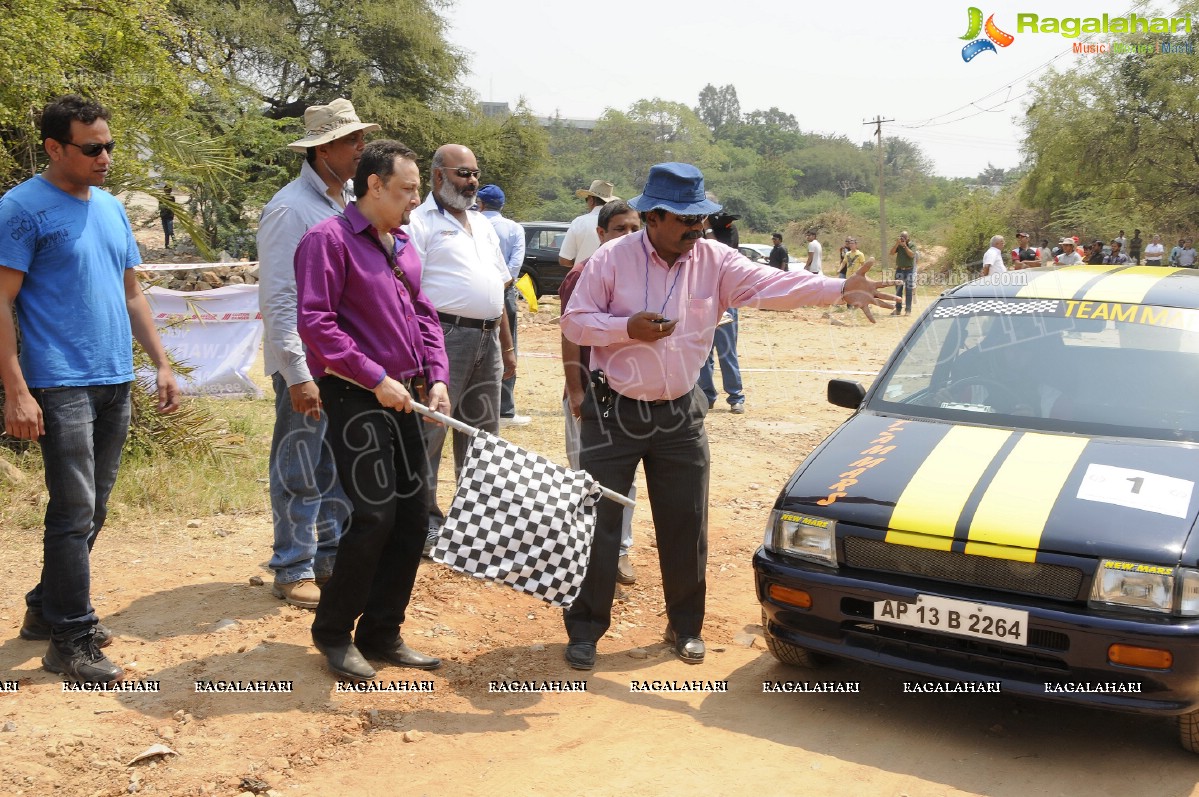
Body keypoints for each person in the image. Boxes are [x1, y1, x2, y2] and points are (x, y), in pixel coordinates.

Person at [558, 161, 899, 671]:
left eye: (702, 220)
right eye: (685, 221)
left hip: (680, 414)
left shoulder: (715, 259)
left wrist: (837, 288)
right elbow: (577, 323)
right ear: (653, 217)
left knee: (686, 522)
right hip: (615, 412)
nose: (697, 230)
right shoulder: (611, 259)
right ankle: (585, 630)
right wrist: (627, 327)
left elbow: (773, 285)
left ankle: (685, 628)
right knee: (598, 523)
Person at [0, 95, 180, 684]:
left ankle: (42, 609)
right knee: (74, 508)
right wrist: (16, 390)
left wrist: (161, 364)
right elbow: (1, 300)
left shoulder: (109, 207)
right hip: (58, 383)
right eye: (92, 148)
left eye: (109, 145)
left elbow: (132, 292)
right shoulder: (21, 209)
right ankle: (70, 637)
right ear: (55, 148)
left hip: (113, 379)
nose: (105, 157)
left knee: (94, 506)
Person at [294, 139, 450, 681]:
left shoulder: (404, 243)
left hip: (404, 395)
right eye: (408, 189)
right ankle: (333, 632)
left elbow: (424, 315)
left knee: (411, 516)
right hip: (356, 395)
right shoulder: (327, 240)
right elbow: (316, 325)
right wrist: (375, 378)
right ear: (374, 184)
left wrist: (438, 378)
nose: (415, 200)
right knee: (375, 514)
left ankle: (383, 631)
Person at [257, 99, 372, 609]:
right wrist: (296, 371)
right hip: (306, 362)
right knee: (300, 460)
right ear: (324, 148)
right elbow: (280, 297)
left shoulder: (347, 203)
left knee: (336, 461)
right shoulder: (289, 209)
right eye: (353, 141)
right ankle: (292, 565)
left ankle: (327, 557)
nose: (361, 149)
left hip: (341, 361)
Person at [405, 144, 516, 553]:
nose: (472, 182)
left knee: (483, 435)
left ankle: (476, 527)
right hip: (443, 337)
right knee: (431, 431)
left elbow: (499, 287)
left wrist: (507, 347)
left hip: (488, 338)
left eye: (474, 175)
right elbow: (407, 291)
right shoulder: (419, 222)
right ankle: (424, 524)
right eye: (462, 174)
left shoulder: (482, 223)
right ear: (437, 176)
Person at [559, 199, 641, 585]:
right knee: (586, 475)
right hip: (591, 392)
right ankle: (587, 553)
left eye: (634, 229)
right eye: (619, 229)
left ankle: (620, 551)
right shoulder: (582, 275)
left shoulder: (640, 275)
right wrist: (576, 391)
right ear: (601, 234)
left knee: (626, 478)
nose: (627, 236)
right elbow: (571, 338)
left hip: (628, 393)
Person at [476, 184, 530, 426]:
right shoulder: (514, 228)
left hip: (474, 291)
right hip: (505, 290)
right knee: (508, 345)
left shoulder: (472, 222)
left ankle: (473, 404)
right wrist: (505, 285)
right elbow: (516, 262)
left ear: (481, 203)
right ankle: (505, 409)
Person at [699, 212, 746, 413]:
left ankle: (736, 397)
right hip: (701, 298)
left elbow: (720, 254)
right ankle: (706, 396)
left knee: (726, 350)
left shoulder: (728, 229)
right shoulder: (693, 230)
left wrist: (707, 227)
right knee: (703, 352)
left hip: (726, 297)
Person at [559, 179, 620, 268]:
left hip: (583, 278)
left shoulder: (579, 222)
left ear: (591, 200)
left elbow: (564, 260)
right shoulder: (620, 223)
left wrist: (581, 263)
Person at [889, 231, 916, 315]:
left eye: (904, 237)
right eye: (901, 237)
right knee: (898, 290)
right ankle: (898, 309)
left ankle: (908, 310)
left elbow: (912, 255)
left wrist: (905, 246)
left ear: (908, 238)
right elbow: (891, 253)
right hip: (899, 269)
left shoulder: (912, 245)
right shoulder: (898, 245)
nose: (902, 239)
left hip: (909, 270)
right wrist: (897, 244)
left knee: (908, 290)